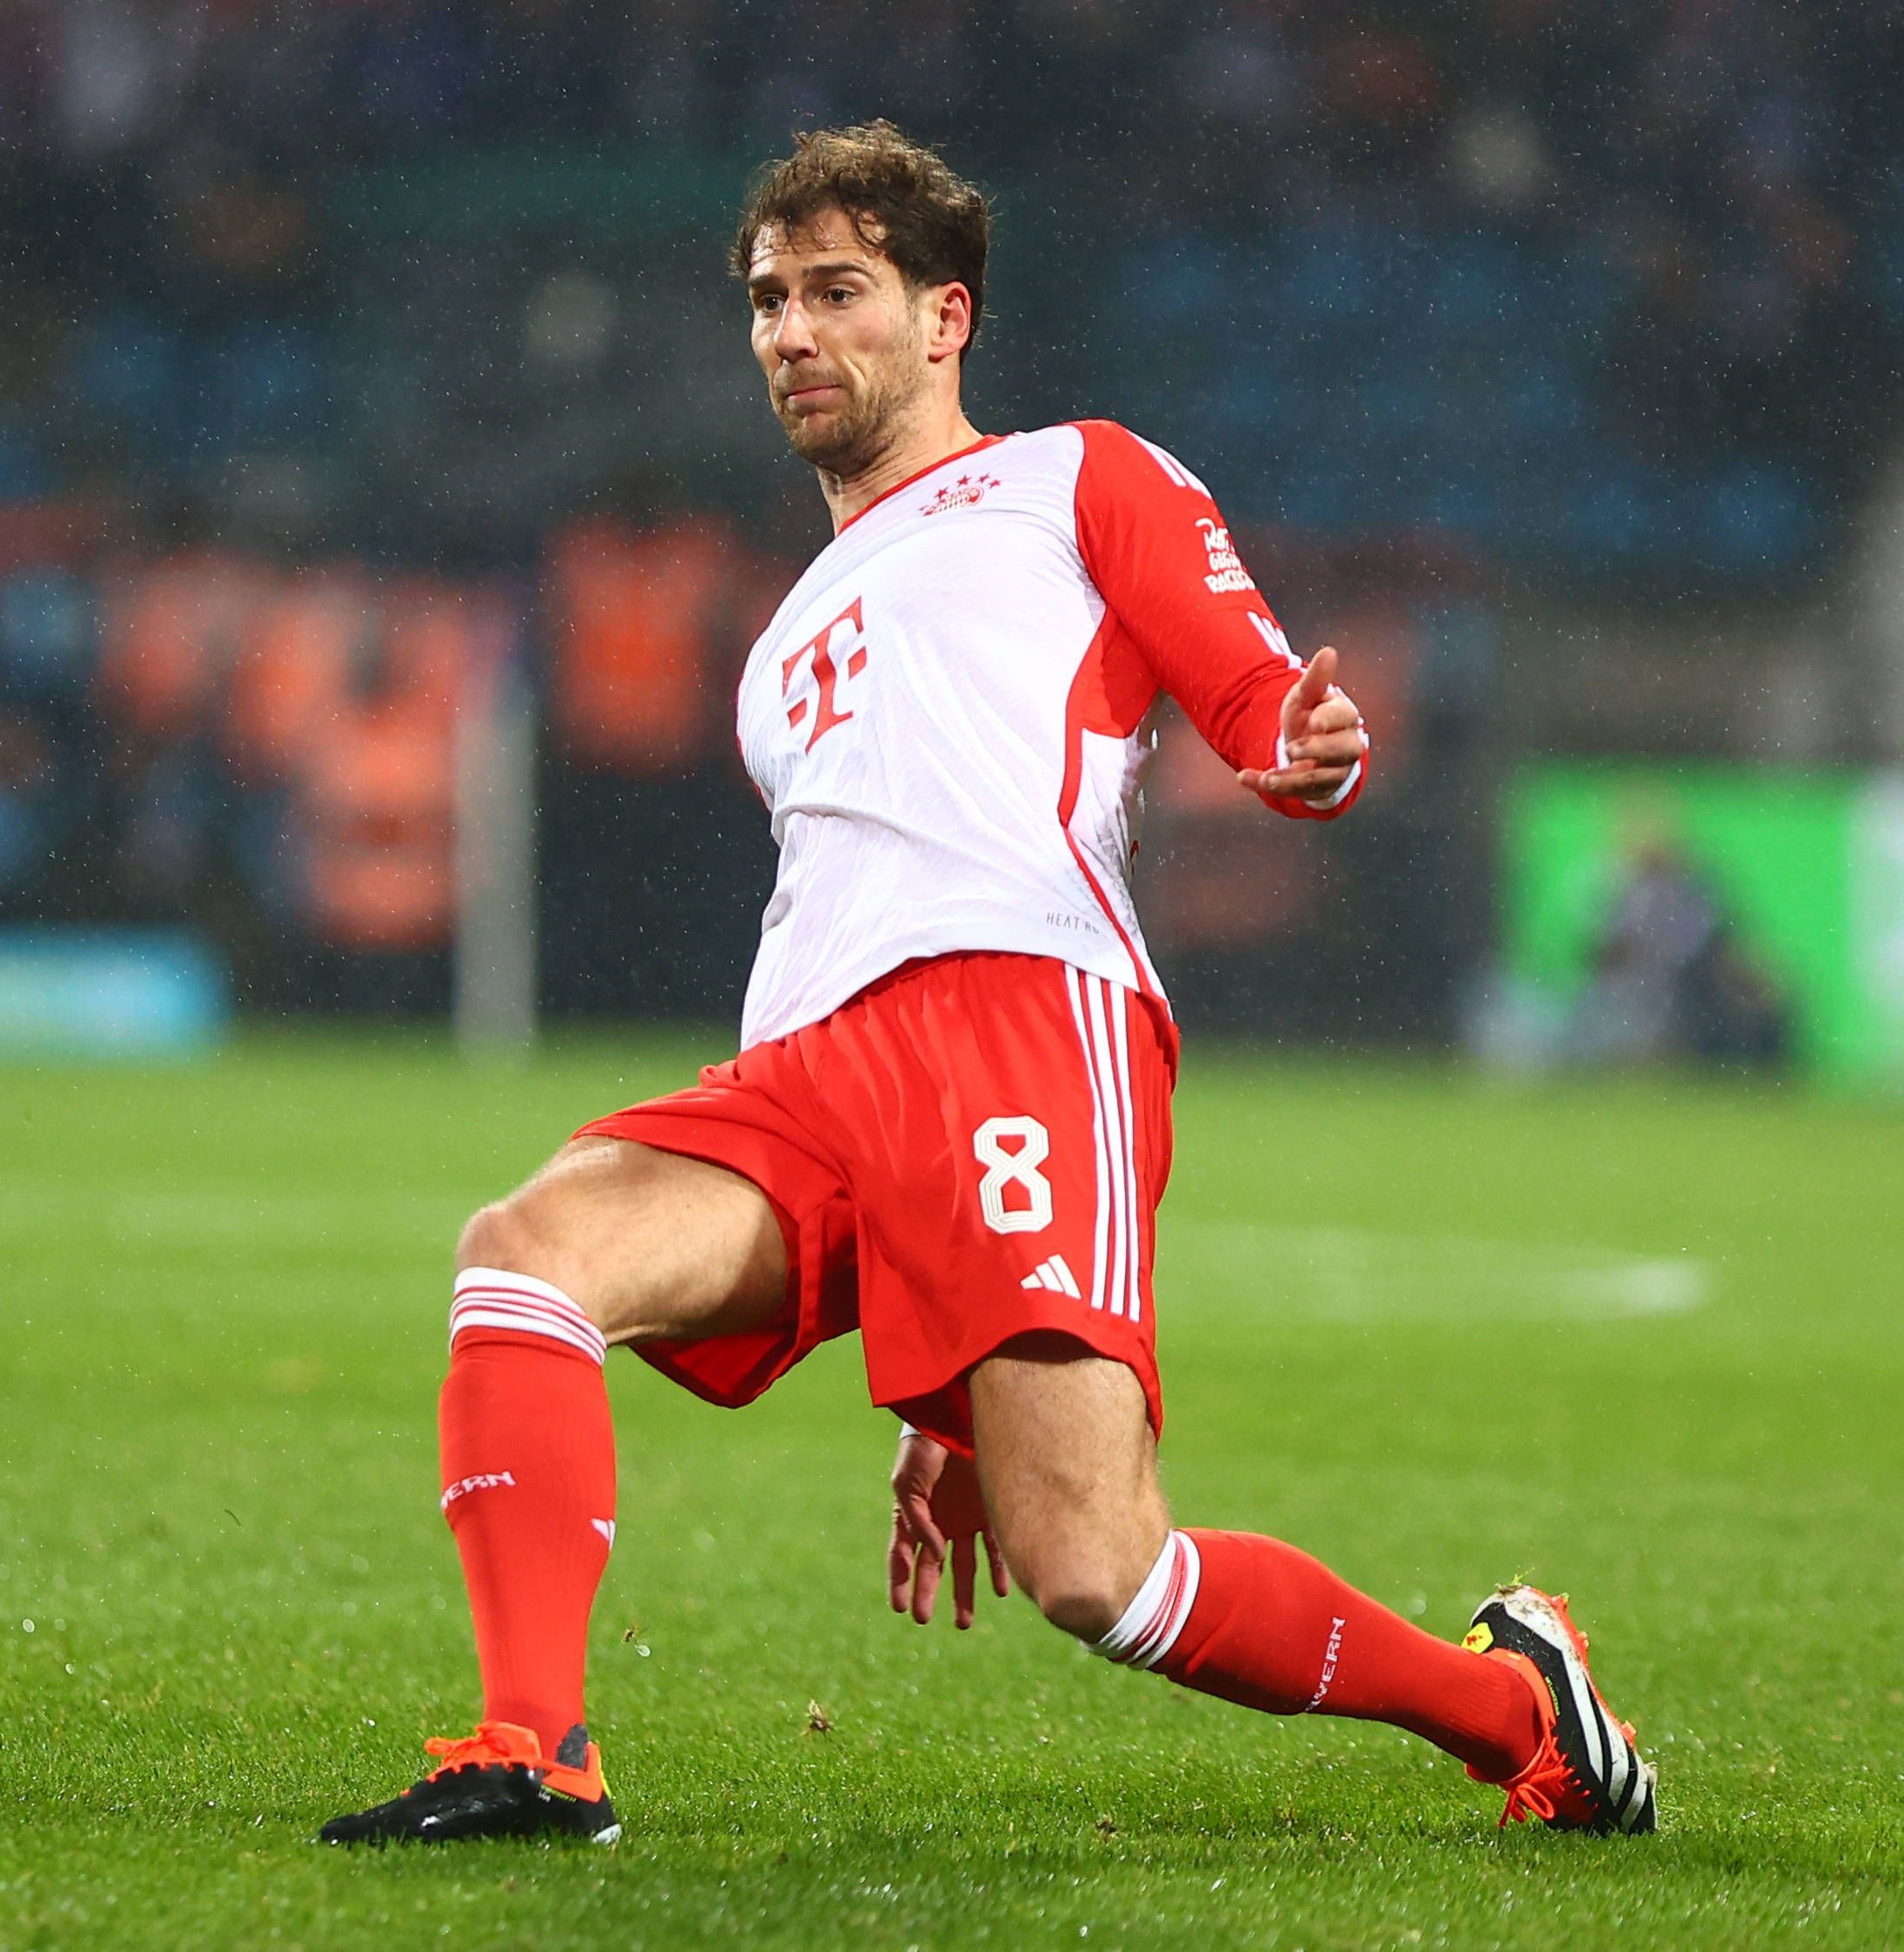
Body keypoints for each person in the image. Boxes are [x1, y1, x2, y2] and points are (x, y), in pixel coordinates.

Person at [322, 122, 1652, 1847]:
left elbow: (1258, 705)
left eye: (835, 291)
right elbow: (828, 907)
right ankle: (528, 1749)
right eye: (767, 299)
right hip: (813, 1072)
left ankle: (1511, 1702)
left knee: (1095, 1570)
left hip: (1023, 1017)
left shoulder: (1074, 475)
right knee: (528, 1253)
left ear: (943, 315)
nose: (791, 331)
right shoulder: (780, 640)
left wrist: (1310, 750)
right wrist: (918, 1317)